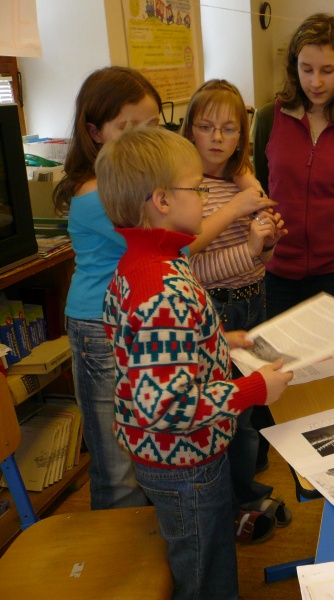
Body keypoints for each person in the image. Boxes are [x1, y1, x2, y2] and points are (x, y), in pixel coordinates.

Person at [97, 126, 293, 599]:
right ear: (162, 200)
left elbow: (149, 353)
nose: (205, 198)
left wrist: (219, 339)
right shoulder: (163, 291)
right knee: (207, 568)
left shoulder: (147, 263)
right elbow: (168, 406)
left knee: (206, 550)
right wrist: (255, 389)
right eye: (197, 189)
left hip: (176, 456)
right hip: (185, 463)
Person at [180, 79, 289, 537]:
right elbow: (191, 268)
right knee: (227, 415)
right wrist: (248, 249)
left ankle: (242, 493)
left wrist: (267, 244)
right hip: (217, 312)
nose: (217, 138)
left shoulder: (240, 182)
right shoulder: (187, 189)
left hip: (251, 303)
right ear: (189, 129)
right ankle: (232, 502)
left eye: (229, 129)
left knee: (247, 414)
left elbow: (260, 262)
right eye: (206, 127)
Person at [53, 66, 161, 510]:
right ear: (95, 132)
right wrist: (234, 208)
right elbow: (169, 245)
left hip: (130, 318)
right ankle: (117, 545)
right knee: (117, 466)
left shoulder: (132, 178)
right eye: (126, 128)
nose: (142, 139)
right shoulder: (98, 192)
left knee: (142, 443)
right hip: (100, 326)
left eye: (151, 125)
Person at [254, 13, 334, 317]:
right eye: (306, 69)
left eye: (327, 71)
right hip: (279, 270)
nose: (315, 82)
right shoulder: (269, 118)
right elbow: (262, 189)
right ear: (294, 67)